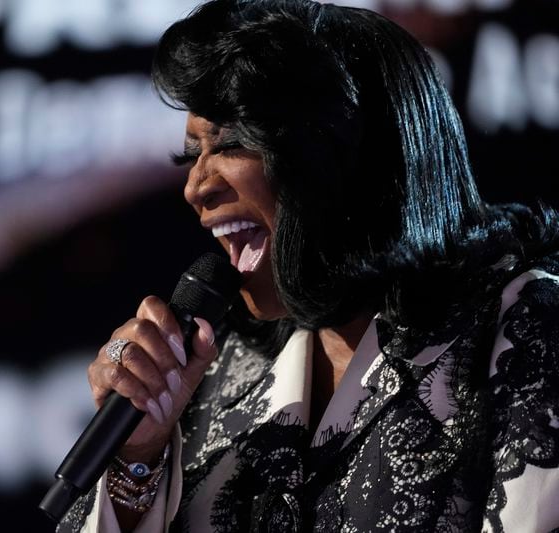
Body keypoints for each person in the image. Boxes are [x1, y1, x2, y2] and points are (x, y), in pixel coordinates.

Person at [58, 0, 559, 531]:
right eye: (191, 156)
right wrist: (139, 457)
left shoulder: (527, 332)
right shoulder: (219, 363)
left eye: (232, 144)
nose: (195, 186)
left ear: (346, 154)